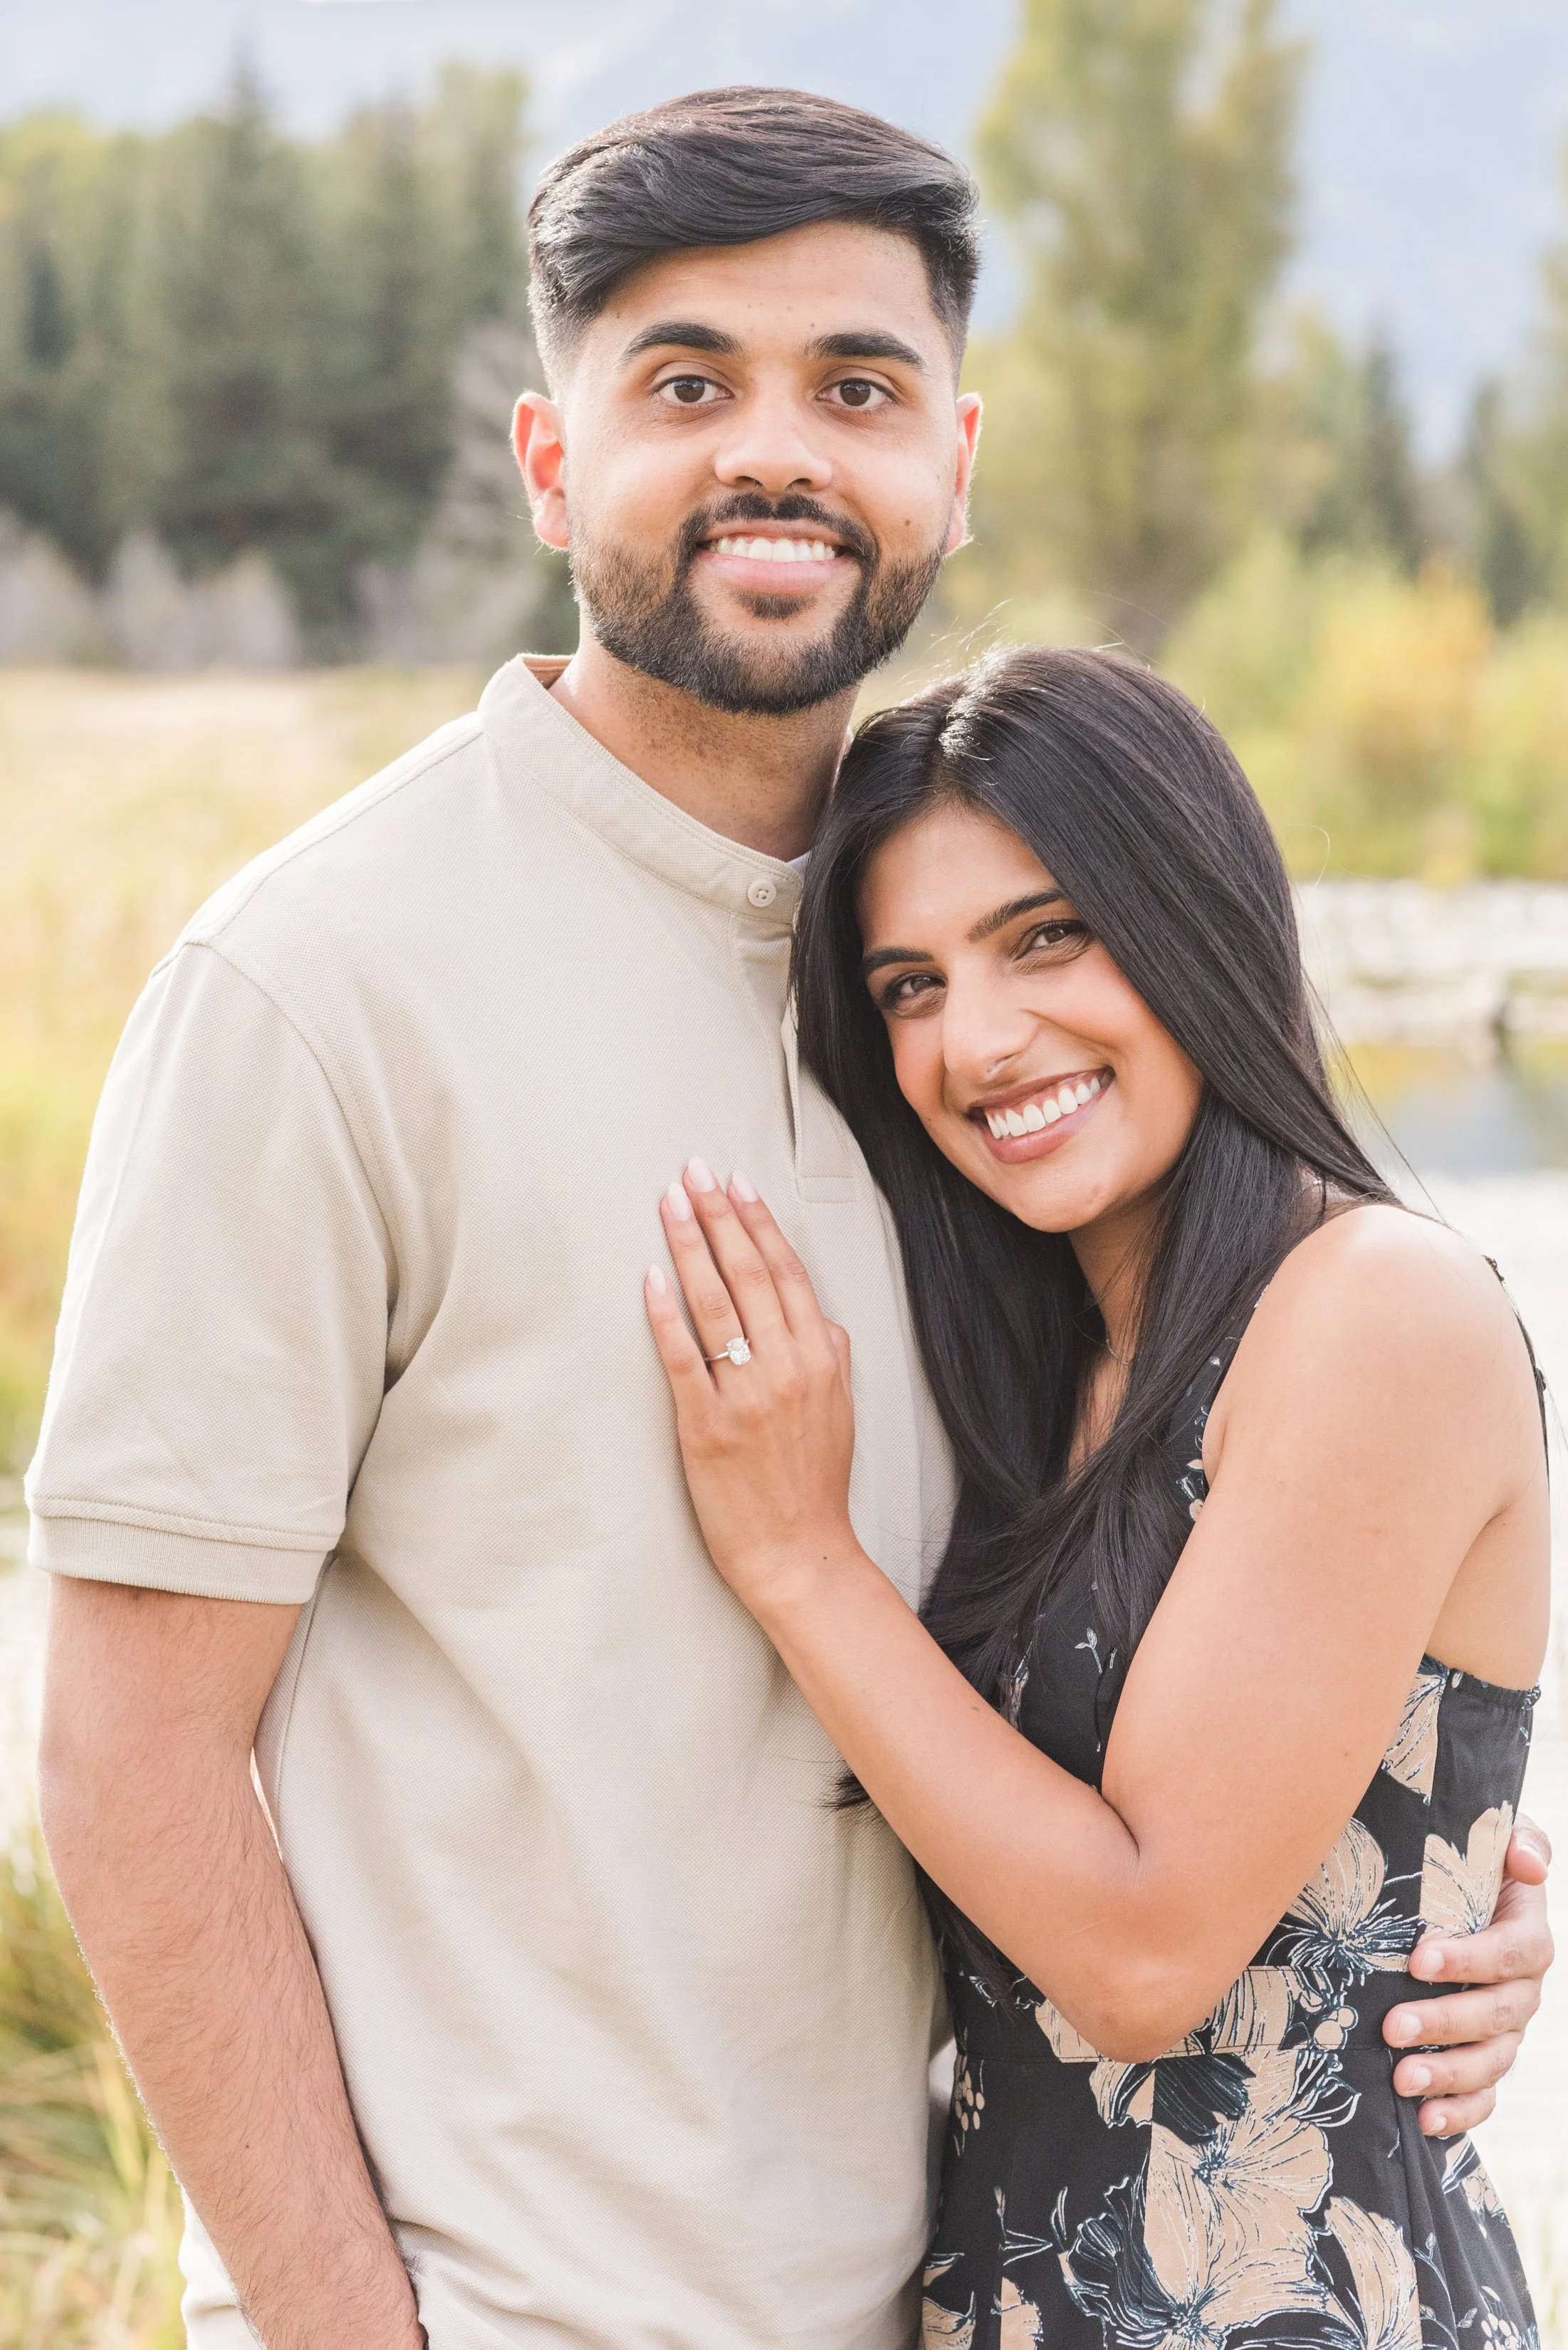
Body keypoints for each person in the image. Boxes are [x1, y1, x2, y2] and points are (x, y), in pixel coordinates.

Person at [26, 88, 1550, 2350]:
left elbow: (1183, 1675)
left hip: (959, 2298)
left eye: (854, 386)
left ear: (953, 460)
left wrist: (1401, 1897)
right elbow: (126, 1759)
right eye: (682, 383)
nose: (777, 451)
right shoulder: (319, 986)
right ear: (553, 466)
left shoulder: (956, 1010)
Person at [643, 645, 1551, 2350]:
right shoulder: (1047, 1369)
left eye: (1047, 937)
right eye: (908, 986)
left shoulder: (1373, 1310)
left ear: (1199, 916)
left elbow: (1142, 1965)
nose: (978, 1041)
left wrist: (799, 1560)